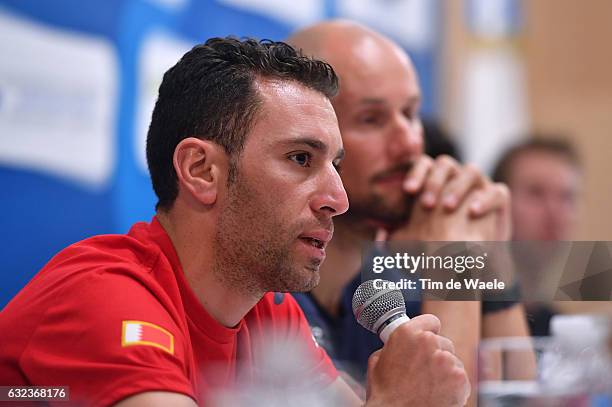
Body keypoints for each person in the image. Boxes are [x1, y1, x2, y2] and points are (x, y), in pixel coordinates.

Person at [0, 38, 470, 406]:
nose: (338, 200)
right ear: (202, 171)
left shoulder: (266, 309)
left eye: (336, 167)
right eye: (301, 158)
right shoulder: (105, 295)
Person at [288, 20, 533, 402]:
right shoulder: (264, 286)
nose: (409, 144)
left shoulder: (391, 282)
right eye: (372, 119)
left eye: (411, 113)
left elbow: (521, 400)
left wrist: (492, 264)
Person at [492, 136, 588, 335]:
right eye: (536, 193)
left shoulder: (558, 328)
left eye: (566, 196)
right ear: (498, 205)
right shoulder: (462, 314)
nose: (555, 212)